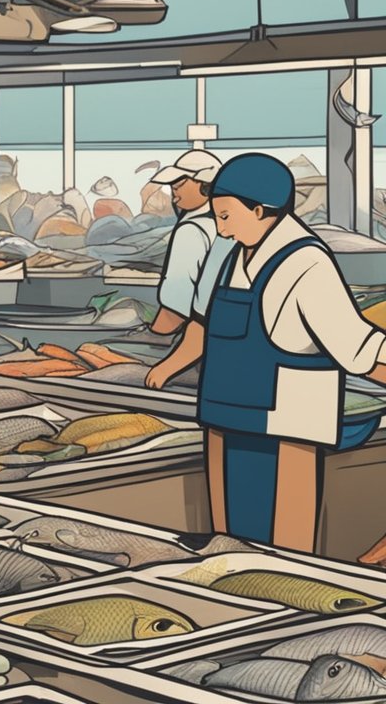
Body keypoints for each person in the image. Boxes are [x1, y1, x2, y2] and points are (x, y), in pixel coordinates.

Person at [146, 153, 386, 552]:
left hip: (285, 427)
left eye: (226, 217)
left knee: (285, 557)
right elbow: (206, 326)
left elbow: (356, 347)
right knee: (230, 549)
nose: (221, 230)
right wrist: (168, 366)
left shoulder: (306, 262)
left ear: (259, 210)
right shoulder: (234, 257)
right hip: (226, 417)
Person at [147, 150, 233, 335]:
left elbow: (175, 309)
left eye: (180, 182)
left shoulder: (191, 230)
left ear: (205, 184)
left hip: (188, 334)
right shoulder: (228, 222)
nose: (173, 187)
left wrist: (153, 335)